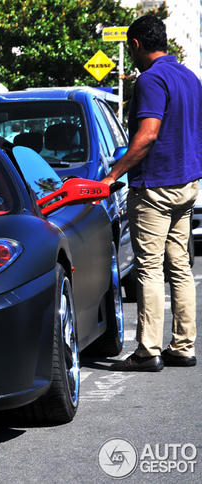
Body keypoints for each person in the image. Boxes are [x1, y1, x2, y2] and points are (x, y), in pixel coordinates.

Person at [102, 15, 202, 371]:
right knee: (180, 268)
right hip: (187, 185)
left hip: (156, 188)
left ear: (136, 45)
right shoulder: (190, 78)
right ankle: (183, 346)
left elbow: (147, 135)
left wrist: (113, 175)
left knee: (148, 269)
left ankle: (148, 350)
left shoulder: (150, 80)